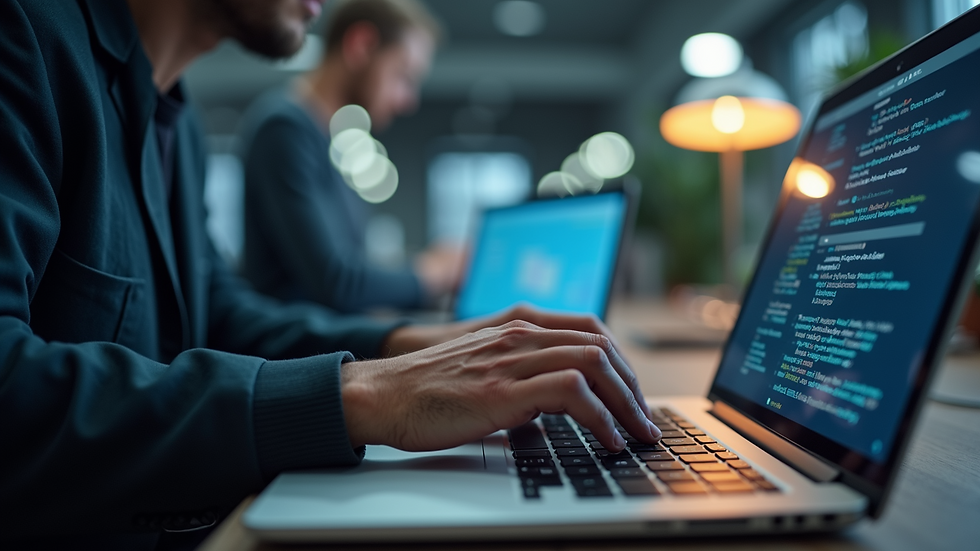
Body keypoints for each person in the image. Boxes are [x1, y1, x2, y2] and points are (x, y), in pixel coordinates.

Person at [0, 0, 660, 549]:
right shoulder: (21, 34)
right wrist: (364, 395)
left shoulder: (183, 119)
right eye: (404, 74)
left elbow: (222, 311)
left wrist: (414, 347)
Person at [240, 0, 461, 313]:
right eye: (403, 76)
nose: (407, 101)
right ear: (361, 45)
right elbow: (337, 281)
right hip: (294, 355)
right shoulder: (285, 129)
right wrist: (433, 271)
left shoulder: (325, 139)